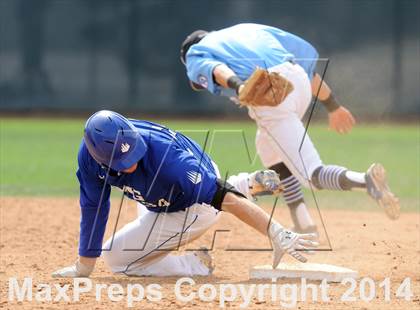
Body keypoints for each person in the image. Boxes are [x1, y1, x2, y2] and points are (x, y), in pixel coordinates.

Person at [180, 23, 400, 235]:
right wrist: (333, 106)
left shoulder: (196, 52)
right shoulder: (247, 30)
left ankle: (366, 181)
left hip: (271, 98)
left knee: (312, 175)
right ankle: (303, 224)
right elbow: (306, 70)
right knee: (267, 148)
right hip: (298, 82)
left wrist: (239, 85)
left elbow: (216, 69)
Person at [52, 110, 318, 278]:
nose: (131, 162)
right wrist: (84, 267)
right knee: (153, 202)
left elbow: (227, 200)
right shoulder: (89, 157)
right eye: (123, 162)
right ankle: (245, 182)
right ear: (97, 157)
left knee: (118, 259)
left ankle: (194, 265)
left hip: (191, 205)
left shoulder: (169, 161)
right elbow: (93, 207)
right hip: (164, 191)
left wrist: (276, 232)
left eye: (134, 151)